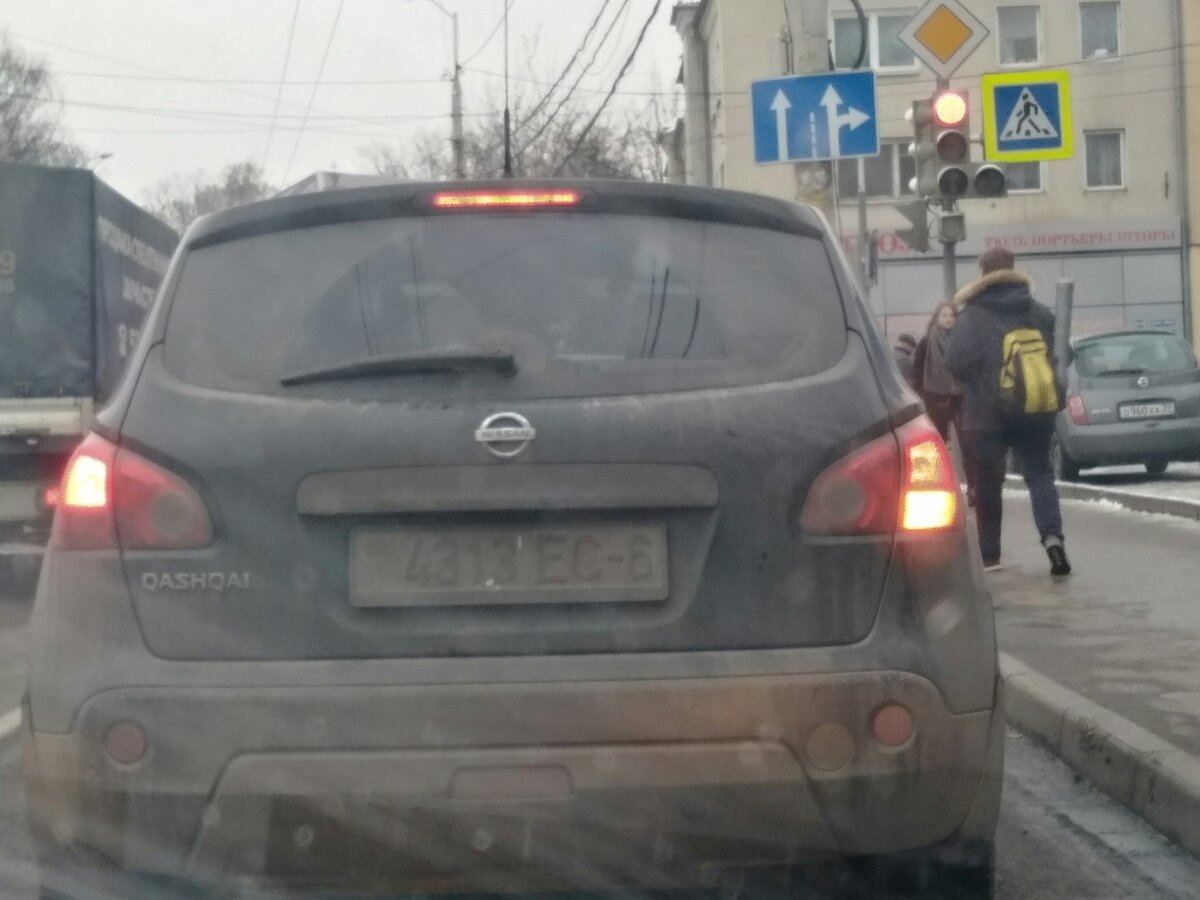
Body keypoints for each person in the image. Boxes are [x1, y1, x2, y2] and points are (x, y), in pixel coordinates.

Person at [945, 247, 1071, 576]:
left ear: (983, 273)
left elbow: (954, 362)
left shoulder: (972, 315)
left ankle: (990, 555)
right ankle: (1053, 538)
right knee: (1040, 474)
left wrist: (984, 379)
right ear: (1013, 270)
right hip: (1035, 408)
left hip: (987, 415)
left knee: (988, 481)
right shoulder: (1039, 312)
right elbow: (1063, 354)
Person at [911, 302, 963, 443]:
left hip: (959, 398)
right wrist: (922, 395)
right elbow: (917, 372)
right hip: (935, 399)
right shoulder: (927, 341)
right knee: (939, 441)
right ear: (937, 318)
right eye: (944, 315)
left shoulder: (962, 341)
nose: (948, 319)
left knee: (965, 442)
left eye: (952, 315)